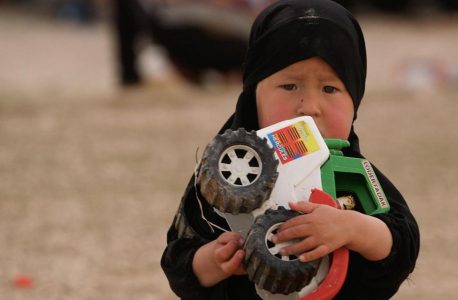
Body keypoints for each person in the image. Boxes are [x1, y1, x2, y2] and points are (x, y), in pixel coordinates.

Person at [160, 0, 420, 299]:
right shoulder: (228, 174)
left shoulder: (354, 176)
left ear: (355, 102)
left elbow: (403, 245)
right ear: (253, 95)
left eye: (330, 89)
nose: (308, 108)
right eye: (290, 86)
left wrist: (353, 229)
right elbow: (179, 261)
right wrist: (212, 262)